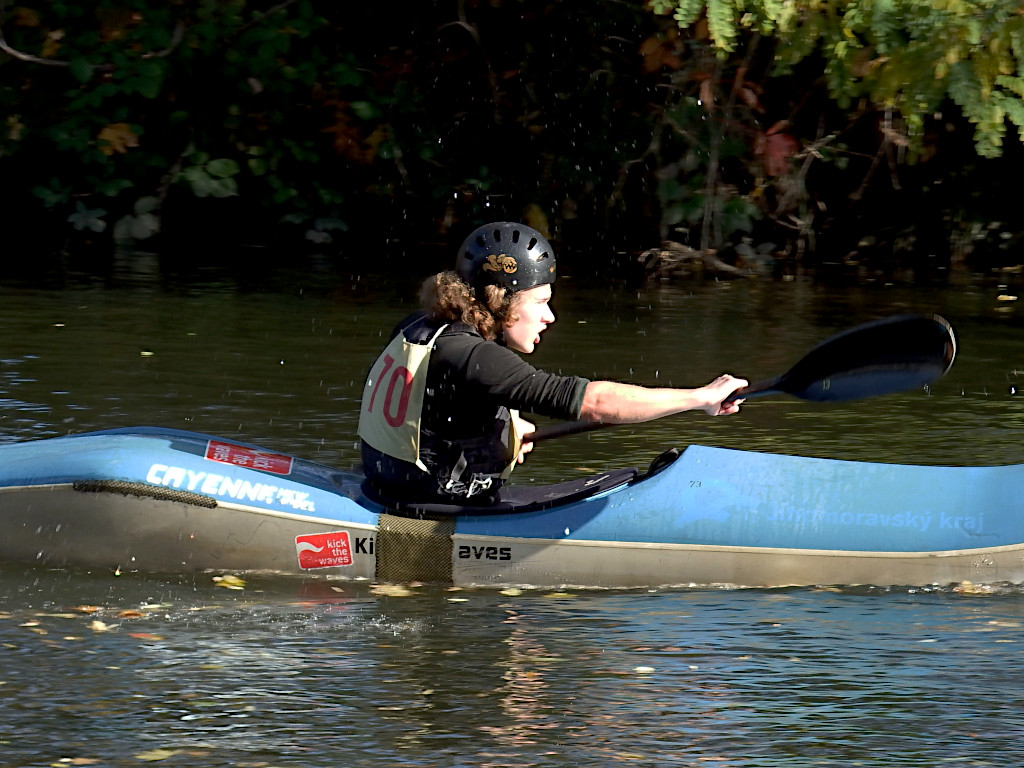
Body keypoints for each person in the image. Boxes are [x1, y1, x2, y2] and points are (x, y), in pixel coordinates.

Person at [358, 221, 746, 505]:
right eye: (540, 301)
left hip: (389, 486)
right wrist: (700, 397)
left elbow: (432, 412)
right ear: (500, 299)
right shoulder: (477, 357)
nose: (550, 316)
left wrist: (501, 433)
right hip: (432, 507)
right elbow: (596, 403)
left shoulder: (422, 325)